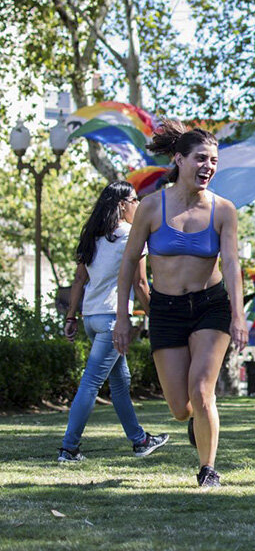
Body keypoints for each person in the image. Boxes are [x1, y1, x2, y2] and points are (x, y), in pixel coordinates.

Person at [114, 119, 248, 488]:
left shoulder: (224, 210)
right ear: (179, 160)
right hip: (166, 310)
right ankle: (196, 420)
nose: (209, 166)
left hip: (210, 306)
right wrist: (123, 318)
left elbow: (233, 263)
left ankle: (208, 469)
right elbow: (129, 261)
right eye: (201, 158)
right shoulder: (151, 207)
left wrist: (238, 315)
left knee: (203, 391)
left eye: (214, 161)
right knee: (180, 407)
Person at [57, 182, 169, 463]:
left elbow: (79, 280)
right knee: (91, 383)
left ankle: (140, 440)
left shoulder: (92, 236)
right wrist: (160, 318)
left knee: (120, 381)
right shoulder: (132, 235)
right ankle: (68, 448)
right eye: (135, 200)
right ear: (122, 204)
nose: (138, 205)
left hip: (92, 318)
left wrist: (71, 316)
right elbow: (141, 283)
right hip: (111, 320)